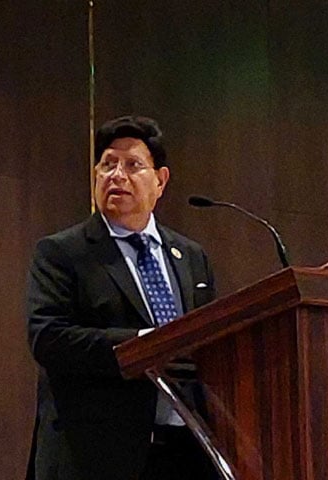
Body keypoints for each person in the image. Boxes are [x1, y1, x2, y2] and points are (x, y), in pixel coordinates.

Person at [26, 115, 218, 480]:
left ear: (160, 180)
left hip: (186, 452)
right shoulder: (63, 253)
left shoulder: (191, 256)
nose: (117, 175)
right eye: (108, 164)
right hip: (97, 457)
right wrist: (145, 346)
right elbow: (48, 339)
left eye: (132, 165)